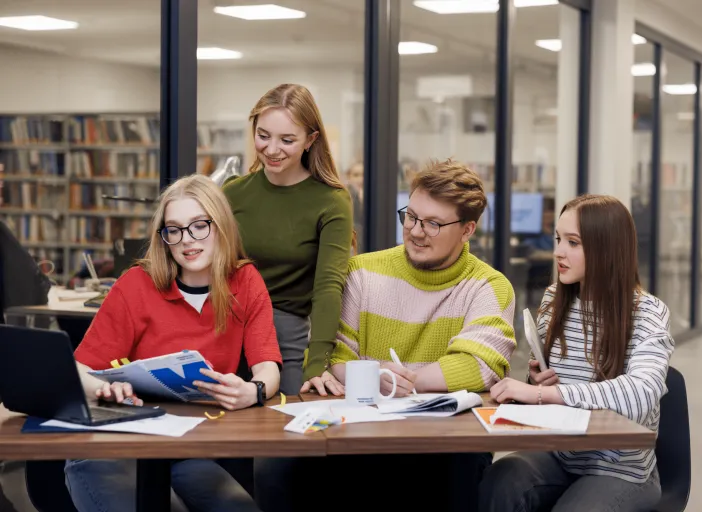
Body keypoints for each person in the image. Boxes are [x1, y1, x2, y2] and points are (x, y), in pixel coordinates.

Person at [294, 158, 515, 512]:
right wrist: (380, 375)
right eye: (410, 216)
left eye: (433, 223)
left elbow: (481, 365)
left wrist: (404, 381)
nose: (414, 231)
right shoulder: (362, 272)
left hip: (445, 446)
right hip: (365, 440)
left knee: (460, 467)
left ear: (468, 229)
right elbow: (335, 358)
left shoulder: (489, 286)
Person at [64, 174, 282, 512]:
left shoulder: (245, 281)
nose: (187, 240)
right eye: (174, 230)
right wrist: (102, 389)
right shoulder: (136, 284)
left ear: (221, 224)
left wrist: (252, 391)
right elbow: (75, 369)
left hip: (190, 446)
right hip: (123, 441)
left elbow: (267, 366)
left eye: (198, 226)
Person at [480, 194, 674, 512]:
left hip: (621, 470)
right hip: (559, 454)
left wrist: (549, 395)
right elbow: (552, 391)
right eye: (558, 239)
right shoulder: (554, 300)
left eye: (573, 242)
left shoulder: (648, 313)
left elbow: (641, 396)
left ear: (606, 248)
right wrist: (537, 381)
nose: (558, 252)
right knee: (499, 482)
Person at [223, 83, 353, 396]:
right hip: (225, 329)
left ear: (310, 140)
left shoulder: (331, 201)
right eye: (263, 135)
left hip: (287, 339)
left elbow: (328, 288)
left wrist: (318, 363)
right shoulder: (231, 193)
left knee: (287, 429)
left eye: (287, 140)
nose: (271, 149)